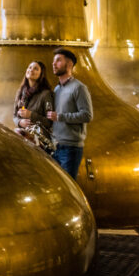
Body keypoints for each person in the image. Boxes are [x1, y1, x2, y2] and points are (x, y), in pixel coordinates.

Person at [46, 48, 93, 180]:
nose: (54, 64)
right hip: (56, 146)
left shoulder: (79, 88)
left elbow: (87, 115)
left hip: (70, 148)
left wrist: (60, 117)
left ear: (70, 64)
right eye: (53, 61)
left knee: (69, 186)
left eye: (58, 61)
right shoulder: (57, 89)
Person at [13, 61, 54, 144]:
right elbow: (14, 115)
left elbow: (49, 122)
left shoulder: (46, 94)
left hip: (40, 140)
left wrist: (31, 115)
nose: (31, 70)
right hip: (23, 137)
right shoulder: (21, 92)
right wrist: (20, 122)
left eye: (36, 69)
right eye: (30, 67)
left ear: (41, 74)